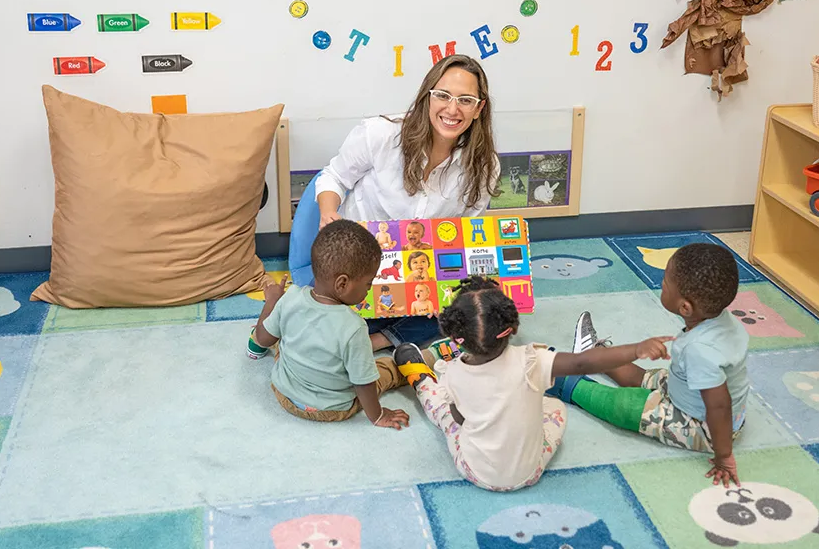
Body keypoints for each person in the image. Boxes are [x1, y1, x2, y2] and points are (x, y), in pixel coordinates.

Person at [392, 276, 671, 492]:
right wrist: (636, 349)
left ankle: (417, 375)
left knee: (442, 411)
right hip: (530, 472)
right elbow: (582, 363)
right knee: (555, 407)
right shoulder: (532, 360)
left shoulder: (453, 373)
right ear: (512, 329)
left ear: (456, 337)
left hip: (475, 472)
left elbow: (458, 418)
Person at [315, 54, 501, 352]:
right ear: (427, 97)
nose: (452, 109)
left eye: (465, 100)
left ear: (479, 108)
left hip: (424, 274)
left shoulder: (484, 165)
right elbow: (333, 177)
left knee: (479, 312)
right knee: (320, 323)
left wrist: (448, 289)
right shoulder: (380, 134)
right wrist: (328, 212)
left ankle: (378, 340)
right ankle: (385, 332)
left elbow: (468, 234)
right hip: (361, 267)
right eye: (443, 96)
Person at [549, 244, 748, 488]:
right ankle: (593, 354)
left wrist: (724, 455)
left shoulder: (701, 351)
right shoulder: (719, 320)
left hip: (702, 426)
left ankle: (566, 384)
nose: (661, 284)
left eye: (665, 282)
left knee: (626, 405)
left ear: (685, 307)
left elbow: (718, 405)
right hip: (688, 389)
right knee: (647, 377)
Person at [249, 220, 410, 429]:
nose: (369, 290)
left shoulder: (291, 297)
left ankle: (255, 341)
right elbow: (363, 383)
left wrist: (272, 301)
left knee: (280, 336)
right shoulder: (354, 328)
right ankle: (427, 357)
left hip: (285, 394)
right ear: (342, 283)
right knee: (385, 368)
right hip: (332, 409)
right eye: (368, 283)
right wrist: (378, 416)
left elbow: (264, 339)